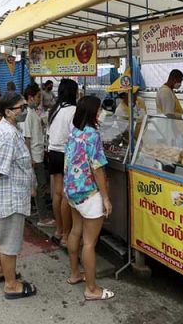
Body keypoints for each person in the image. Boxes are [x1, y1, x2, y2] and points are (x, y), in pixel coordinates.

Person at [0, 91, 38, 300]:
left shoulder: (10, 129)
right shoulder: (7, 135)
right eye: (22, 107)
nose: (25, 111)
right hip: (10, 196)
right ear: (8, 112)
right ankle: (11, 285)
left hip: (5, 193)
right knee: (9, 243)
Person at [64, 96, 115, 301]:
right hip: (89, 194)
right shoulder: (92, 135)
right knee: (89, 243)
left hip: (73, 191)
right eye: (99, 109)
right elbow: (98, 169)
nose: (101, 112)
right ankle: (92, 289)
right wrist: (106, 198)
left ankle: (75, 274)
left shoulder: (74, 132)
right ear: (93, 112)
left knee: (75, 231)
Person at [47, 78, 78, 247]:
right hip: (66, 154)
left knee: (58, 193)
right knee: (66, 195)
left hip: (53, 153)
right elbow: (76, 135)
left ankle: (58, 230)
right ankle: (66, 235)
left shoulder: (55, 109)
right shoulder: (73, 110)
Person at [22, 83, 53, 227]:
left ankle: (38, 212)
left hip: (38, 154)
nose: (40, 99)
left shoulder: (32, 112)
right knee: (40, 185)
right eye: (38, 96)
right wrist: (30, 158)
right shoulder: (29, 114)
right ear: (30, 97)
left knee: (38, 185)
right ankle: (43, 218)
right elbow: (27, 138)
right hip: (35, 156)